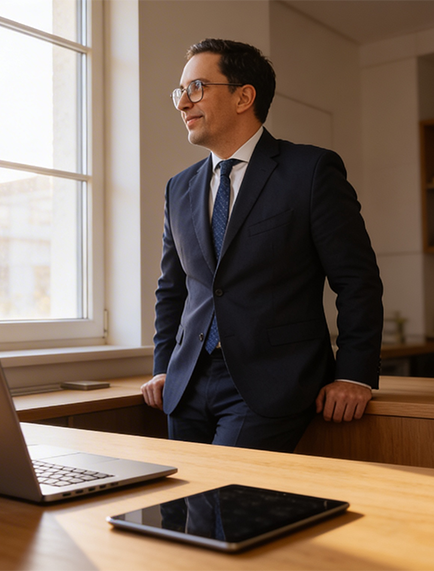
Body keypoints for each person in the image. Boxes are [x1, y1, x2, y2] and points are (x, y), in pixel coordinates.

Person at [141, 39, 383, 453]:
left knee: (230, 511)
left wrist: (354, 374)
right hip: (184, 387)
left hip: (272, 384)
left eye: (196, 88)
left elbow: (356, 280)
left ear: (243, 96)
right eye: (179, 92)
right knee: (182, 514)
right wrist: (164, 367)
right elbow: (173, 290)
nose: (183, 103)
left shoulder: (311, 171)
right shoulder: (178, 188)